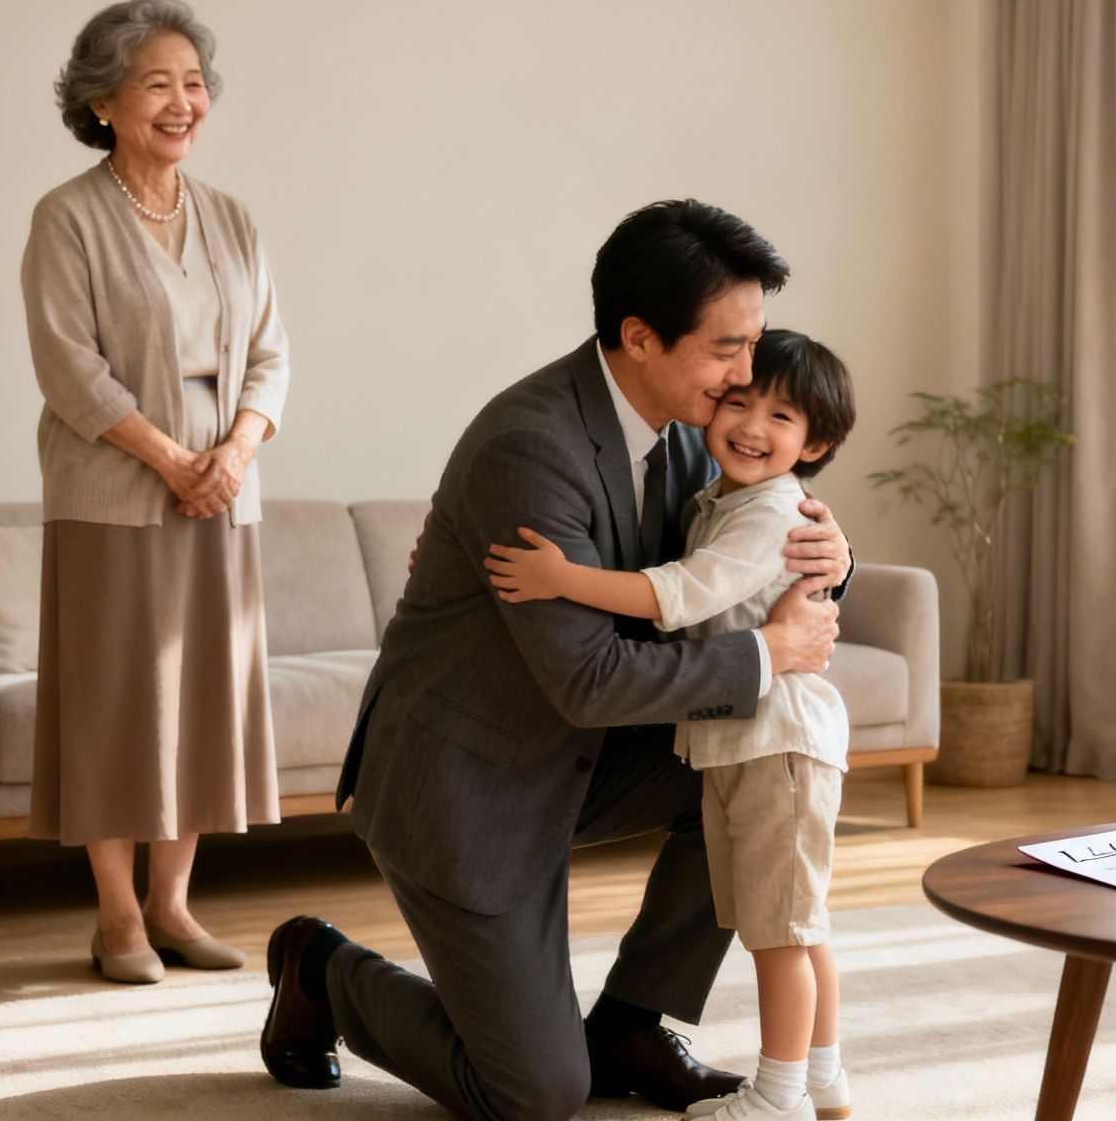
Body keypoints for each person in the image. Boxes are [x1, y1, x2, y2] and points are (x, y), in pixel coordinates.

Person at [259, 201, 849, 1121]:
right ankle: (322, 971)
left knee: (759, 763)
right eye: (728, 348)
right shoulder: (532, 446)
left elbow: (751, 542)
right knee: (532, 1096)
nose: (747, 374)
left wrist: (834, 560)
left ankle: (628, 1025)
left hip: (583, 756)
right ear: (641, 337)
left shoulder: (698, 429)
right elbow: (591, 680)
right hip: (468, 786)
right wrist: (769, 652)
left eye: (752, 343)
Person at [484, 329, 859, 1121]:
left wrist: (562, 577)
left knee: (780, 936)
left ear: (815, 443)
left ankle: (779, 1096)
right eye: (739, 401)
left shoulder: (770, 511)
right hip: (753, 740)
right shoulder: (720, 496)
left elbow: (680, 594)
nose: (750, 425)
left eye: (779, 416)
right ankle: (823, 1078)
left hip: (776, 743)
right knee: (798, 925)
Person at [22, 0, 289, 985]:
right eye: (156, 84)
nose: (183, 102)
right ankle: (118, 916)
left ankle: (174, 908)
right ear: (102, 103)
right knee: (113, 702)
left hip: (224, 495)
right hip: (112, 492)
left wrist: (236, 453)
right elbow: (69, 367)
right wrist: (172, 461)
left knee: (203, 701)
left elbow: (271, 356)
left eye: (194, 83)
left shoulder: (232, 218)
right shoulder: (67, 217)